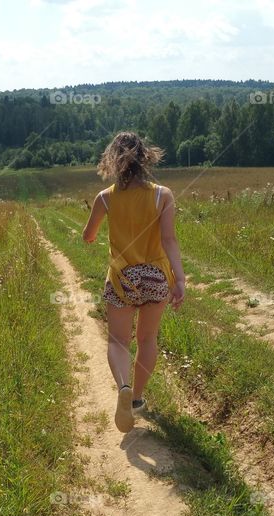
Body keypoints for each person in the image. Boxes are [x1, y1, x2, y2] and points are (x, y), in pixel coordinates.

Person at [82, 131, 186, 433]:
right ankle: (137, 398)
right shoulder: (162, 195)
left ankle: (124, 386)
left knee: (118, 340)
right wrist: (179, 279)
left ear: (112, 161)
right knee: (147, 339)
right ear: (145, 158)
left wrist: (91, 234)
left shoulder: (105, 198)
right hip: (156, 277)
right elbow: (169, 239)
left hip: (122, 278)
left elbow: (88, 236)